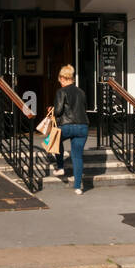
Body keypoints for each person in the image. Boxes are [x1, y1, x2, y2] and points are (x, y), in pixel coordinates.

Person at [52, 64, 89, 194]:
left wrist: (51, 109)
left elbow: (57, 111)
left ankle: (61, 167)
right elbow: (83, 108)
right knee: (77, 156)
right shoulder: (82, 92)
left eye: (60, 80)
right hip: (83, 127)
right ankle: (78, 187)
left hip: (66, 126)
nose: (60, 83)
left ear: (63, 78)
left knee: (54, 139)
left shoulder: (61, 92)